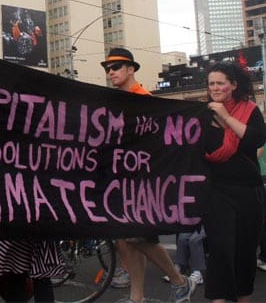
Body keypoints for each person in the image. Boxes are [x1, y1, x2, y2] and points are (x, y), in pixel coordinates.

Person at [101, 48, 196, 303]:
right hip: (123, 179)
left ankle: (179, 281)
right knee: (127, 237)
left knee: (135, 235)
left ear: (131, 69)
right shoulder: (117, 101)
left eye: (116, 67)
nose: (111, 72)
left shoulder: (144, 99)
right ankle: (138, 296)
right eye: (107, 68)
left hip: (143, 182)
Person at [202, 62, 266, 302]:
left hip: (249, 192)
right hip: (217, 192)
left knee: (245, 253)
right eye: (211, 84)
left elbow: (255, 139)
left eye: (220, 83)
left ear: (234, 85)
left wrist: (226, 116)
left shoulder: (249, 110)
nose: (215, 88)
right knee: (220, 250)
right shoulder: (202, 114)